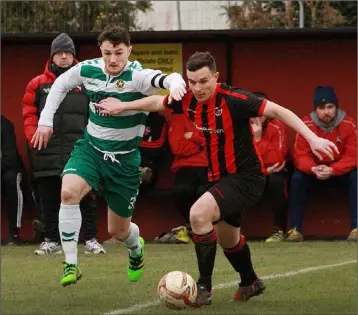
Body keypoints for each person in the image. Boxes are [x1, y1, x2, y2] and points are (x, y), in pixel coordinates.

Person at [95, 51, 338, 306]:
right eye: (192, 81)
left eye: (203, 81)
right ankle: (250, 281)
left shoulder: (235, 99)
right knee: (228, 239)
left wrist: (312, 138)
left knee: (198, 215)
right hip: (219, 177)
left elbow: (278, 111)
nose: (197, 88)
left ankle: (203, 288)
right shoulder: (186, 98)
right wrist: (122, 106)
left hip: (247, 177)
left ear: (215, 77)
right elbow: (156, 103)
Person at [31, 25, 186, 287]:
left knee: (119, 230)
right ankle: (71, 263)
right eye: (107, 53)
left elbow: (166, 79)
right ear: (100, 51)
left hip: (124, 160)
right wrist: (45, 122)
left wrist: (178, 83)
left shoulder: (138, 76)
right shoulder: (88, 69)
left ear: (129, 51)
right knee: (68, 193)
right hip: (91, 149)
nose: (113, 59)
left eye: (118, 53)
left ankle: (136, 249)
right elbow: (59, 85)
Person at [23, 32, 105, 256]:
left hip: (80, 150)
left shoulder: (86, 82)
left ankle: (90, 239)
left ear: (74, 56)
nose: (63, 57)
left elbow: (97, 113)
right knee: (49, 198)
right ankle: (51, 241)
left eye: (67, 53)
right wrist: (33, 137)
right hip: (46, 150)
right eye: (59, 53)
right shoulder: (37, 84)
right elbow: (29, 113)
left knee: (86, 196)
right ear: (52, 56)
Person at [287, 86, 357, 242]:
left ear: (336, 107)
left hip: (339, 173)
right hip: (314, 172)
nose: (326, 112)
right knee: (297, 179)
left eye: (330, 107)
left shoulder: (348, 124)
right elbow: (300, 155)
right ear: (315, 109)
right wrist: (313, 168)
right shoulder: (305, 124)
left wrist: (333, 170)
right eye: (321, 108)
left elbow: (353, 156)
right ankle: (296, 230)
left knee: (356, 177)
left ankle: (356, 228)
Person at [251, 92, 289, 243]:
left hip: (274, 172)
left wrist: (258, 140)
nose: (259, 114)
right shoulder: (240, 126)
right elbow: (242, 159)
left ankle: (279, 229)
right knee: (232, 181)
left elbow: (277, 160)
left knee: (276, 181)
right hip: (253, 172)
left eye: (262, 109)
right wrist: (264, 171)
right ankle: (231, 231)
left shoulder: (277, 126)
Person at [168, 113, 208, 243]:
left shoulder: (213, 115)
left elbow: (215, 140)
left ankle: (205, 228)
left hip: (210, 164)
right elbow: (177, 147)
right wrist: (200, 145)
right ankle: (191, 226)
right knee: (181, 190)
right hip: (185, 165)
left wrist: (192, 136)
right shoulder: (179, 118)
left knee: (205, 194)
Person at [1, 115, 25, 245]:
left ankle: (13, 233)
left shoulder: (4, 125)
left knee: (11, 179)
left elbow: (10, 160)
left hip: (9, 170)